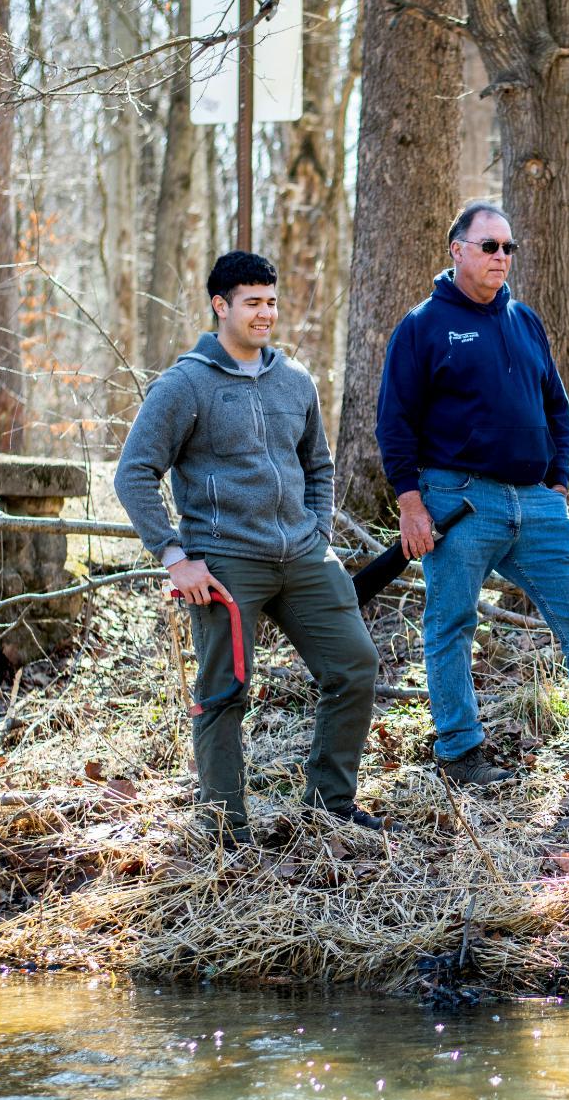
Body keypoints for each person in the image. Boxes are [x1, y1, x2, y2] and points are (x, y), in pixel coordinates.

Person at [376, 201, 569, 784]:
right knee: (451, 623)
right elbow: (394, 422)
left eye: (508, 247)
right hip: (459, 499)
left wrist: (557, 483)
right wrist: (410, 502)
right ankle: (459, 751)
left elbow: (556, 407)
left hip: (535, 503)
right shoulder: (423, 326)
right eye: (489, 245)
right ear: (457, 250)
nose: (501, 257)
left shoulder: (525, 320)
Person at [114, 250, 384, 844]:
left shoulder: (294, 381)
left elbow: (318, 463)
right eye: (253, 303)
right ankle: (222, 830)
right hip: (226, 563)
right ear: (221, 305)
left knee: (355, 668)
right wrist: (174, 556)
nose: (266, 314)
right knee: (224, 692)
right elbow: (134, 473)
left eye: (272, 301)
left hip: (304, 557)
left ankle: (328, 806)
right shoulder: (185, 385)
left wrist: (317, 530)